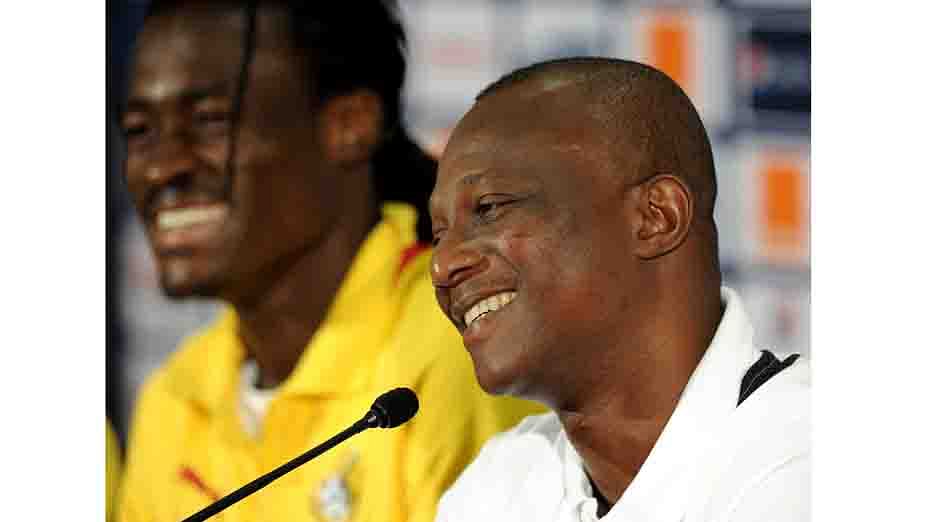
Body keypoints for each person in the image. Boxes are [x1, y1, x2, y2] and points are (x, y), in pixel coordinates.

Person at [115, 1, 541, 521]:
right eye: (139, 131)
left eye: (208, 121)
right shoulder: (174, 396)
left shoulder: (458, 353)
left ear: (349, 125)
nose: (162, 168)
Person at [429, 57, 809, 522]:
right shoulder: (500, 481)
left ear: (656, 217)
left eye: (489, 208)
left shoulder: (807, 459)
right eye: (438, 234)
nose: (443, 265)